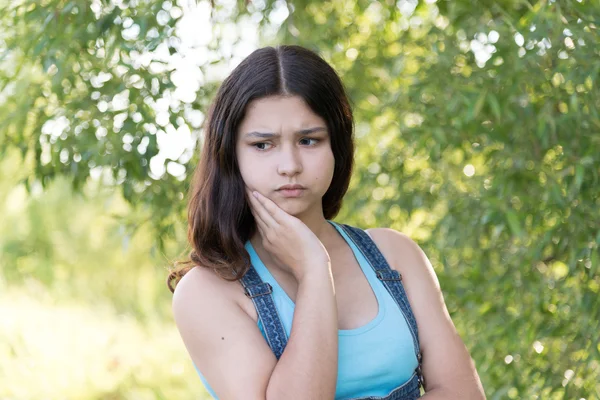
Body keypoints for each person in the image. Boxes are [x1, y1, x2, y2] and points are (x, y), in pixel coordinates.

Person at [168, 44, 485, 400]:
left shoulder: (395, 255)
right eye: (263, 145)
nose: (289, 165)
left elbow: (464, 393)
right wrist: (315, 270)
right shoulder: (207, 292)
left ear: (337, 146)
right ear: (230, 155)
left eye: (308, 140)